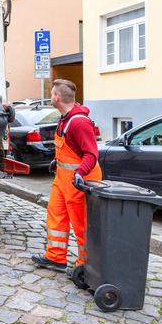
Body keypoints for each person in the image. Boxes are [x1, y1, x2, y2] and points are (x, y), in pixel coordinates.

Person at [31, 79, 102, 272]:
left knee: (81, 224)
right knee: (56, 216)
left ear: (57, 97)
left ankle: (86, 266)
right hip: (63, 179)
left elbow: (91, 154)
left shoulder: (79, 122)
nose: (50, 96)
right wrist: (57, 160)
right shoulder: (65, 118)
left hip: (80, 181)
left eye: (52, 93)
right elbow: (70, 150)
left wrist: (80, 173)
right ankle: (55, 257)